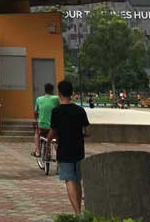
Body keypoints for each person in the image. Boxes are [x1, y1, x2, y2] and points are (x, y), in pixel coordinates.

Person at [49, 80, 90, 216]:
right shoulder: (80, 110)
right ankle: (79, 209)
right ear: (72, 93)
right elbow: (86, 130)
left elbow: (53, 131)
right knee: (77, 180)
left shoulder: (56, 111)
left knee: (69, 180)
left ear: (59, 93)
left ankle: (77, 213)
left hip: (64, 150)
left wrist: (48, 141)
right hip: (78, 149)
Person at [32, 83, 59, 158]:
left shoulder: (39, 99)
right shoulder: (56, 99)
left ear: (45, 90)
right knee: (57, 139)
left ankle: (37, 151)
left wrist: (36, 119)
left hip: (42, 127)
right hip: (53, 127)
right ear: (52, 90)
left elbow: (35, 112)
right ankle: (60, 156)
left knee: (37, 133)